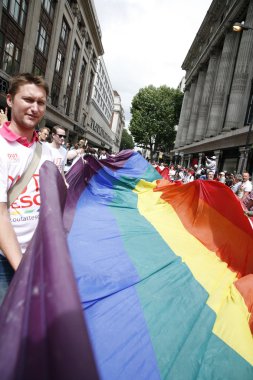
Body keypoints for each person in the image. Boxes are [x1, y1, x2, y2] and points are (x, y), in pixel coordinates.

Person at [0, 72, 53, 303]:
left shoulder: (46, 151)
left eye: (40, 102)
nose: (35, 108)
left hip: (36, 257)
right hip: (5, 262)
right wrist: (21, 269)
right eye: (28, 100)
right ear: (10, 100)